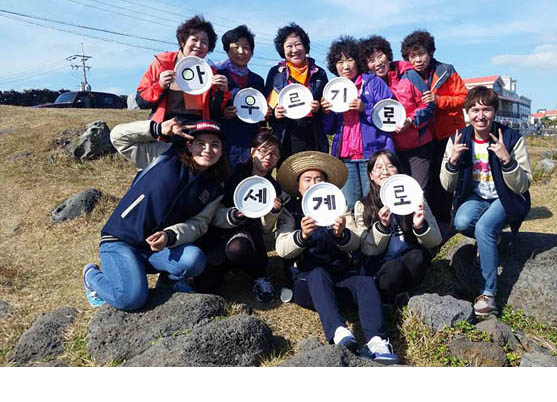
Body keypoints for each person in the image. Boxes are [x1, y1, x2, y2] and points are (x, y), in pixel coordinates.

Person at [82, 120, 230, 311]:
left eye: (215, 145)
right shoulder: (164, 154)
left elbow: (198, 224)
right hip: (122, 240)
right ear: (189, 144)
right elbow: (118, 138)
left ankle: (167, 283)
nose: (208, 149)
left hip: (157, 249)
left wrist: (170, 236)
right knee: (131, 299)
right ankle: (92, 277)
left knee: (194, 260)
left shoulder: (214, 187)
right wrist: (157, 129)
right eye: (201, 143)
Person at [275, 151, 399, 364]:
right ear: (298, 186)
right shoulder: (291, 212)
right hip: (308, 283)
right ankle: (338, 332)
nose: (313, 183)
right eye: (307, 179)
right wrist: (302, 236)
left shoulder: (339, 207)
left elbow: (357, 242)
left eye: (318, 179)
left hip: (341, 277)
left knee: (365, 282)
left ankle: (377, 340)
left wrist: (342, 234)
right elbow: (281, 248)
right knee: (317, 274)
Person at [440, 86, 532, 317]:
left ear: (495, 112)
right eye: (474, 109)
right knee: (462, 222)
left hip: (506, 197)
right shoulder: (458, 139)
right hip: (477, 198)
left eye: (486, 110)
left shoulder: (511, 138)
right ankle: (493, 239)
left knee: (484, 227)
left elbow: (523, 185)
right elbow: (446, 185)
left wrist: (507, 159)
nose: (480, 116)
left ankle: (489, 293)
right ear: (467, 113)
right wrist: (452, 162)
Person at [194, 129, 286, 301]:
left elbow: (266, 229)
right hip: (219, 227)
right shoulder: (233, 172)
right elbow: (215, 206)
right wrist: (232, 215)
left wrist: (274, 212)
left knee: (238, 249)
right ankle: (225, 266)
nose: (268, 157)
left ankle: (257, 274)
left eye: (274, 154)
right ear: (253, 152)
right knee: (206, 285)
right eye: (263, 151)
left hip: (249, 233)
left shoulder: (274, 187)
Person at [351, 150, 442, 303]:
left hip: (408, 256)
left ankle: (404, 294)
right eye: (378, 167)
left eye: (390, 166)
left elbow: (435, 241)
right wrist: (382, 227)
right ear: (371, 175)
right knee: (393, 269)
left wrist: (420, 226)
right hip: (380, 263)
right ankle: (387, 299)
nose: (385, 171)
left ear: (398, 171)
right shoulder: (362, 205)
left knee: (418, 258)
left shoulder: (415, 197)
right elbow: (367, 249)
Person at [401, 30, 468, 227]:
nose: (418, 59)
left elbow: (464, 98)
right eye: (412, 56)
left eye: (421, 53)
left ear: (430, 52)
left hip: (450, 133)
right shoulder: (407, 76)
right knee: (430, 182)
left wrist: (438, 100)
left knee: (450, 178)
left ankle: (449, 221)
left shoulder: (446, 71)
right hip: (426, 136)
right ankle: (434, 223)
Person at [321, 35, 395, 211]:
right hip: (345, 157)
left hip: (372, 155)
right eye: (340, 62)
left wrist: (365, 108)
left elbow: (389, 116)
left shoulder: (373, 83)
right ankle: (358, 239)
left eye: (350, 59)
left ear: (358, 61)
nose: (345, 66)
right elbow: (329, 129)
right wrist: (327, 112)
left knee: (377, 204)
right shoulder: (333, 89)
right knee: (352, 206)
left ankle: (380, 237)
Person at [359, 35, 435, 202]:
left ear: (388, 55)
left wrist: (410, 121)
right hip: (391, 149)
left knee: (418, 193)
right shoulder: (369, 86)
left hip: (418, 147)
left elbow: (428, 106)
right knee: (397, 195)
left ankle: (424, 227)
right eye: (371, 60)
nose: (377, 63)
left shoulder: (409, 75)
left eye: (380, 56)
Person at [135, 15, 229, 124]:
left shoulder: (210, 73)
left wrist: (222, 92)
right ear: (183, 41)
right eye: (194, 39)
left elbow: (215, 111)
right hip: (164, 125)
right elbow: (141, 102)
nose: (198, 45)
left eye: (204, 42)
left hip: (197, 129)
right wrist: (159, 85)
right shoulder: (163, 63)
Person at [264, 23, 329, 166]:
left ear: (305, 46)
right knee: (288, 180)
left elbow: (328, 108)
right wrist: (275, 113)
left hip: (313, 134)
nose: (294, 50)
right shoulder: (275, 74)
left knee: (313, 175)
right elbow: (266, 109)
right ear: (282, 49)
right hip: (286, 134)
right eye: (289, 46)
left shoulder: (319, 73)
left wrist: (319, 107)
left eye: (298, 44)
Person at [212, 25, 268, 167]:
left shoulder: (257, 80)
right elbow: (206, 107)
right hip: (223, 139)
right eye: (236, 47)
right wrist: (222, 113)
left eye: (246, 47)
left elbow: (262, 113)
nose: (241, 52)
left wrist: (265, 114)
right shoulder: (216, 75)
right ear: (226, 49)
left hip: (249, 140)